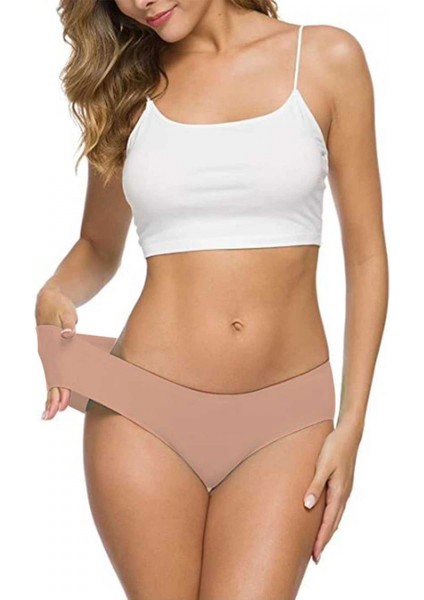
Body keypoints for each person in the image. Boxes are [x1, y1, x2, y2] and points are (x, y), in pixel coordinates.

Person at [34, 1, 388, 598]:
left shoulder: (326, 59)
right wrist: (53, 293)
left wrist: (351, 426)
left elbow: (367, 257)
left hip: (286, 421)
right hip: (142, 416)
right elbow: (98, 245)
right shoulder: (128, 89)